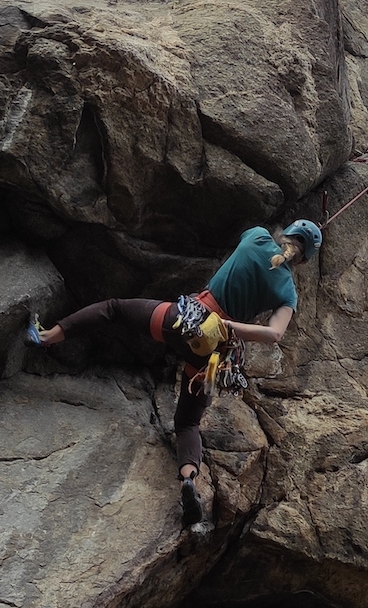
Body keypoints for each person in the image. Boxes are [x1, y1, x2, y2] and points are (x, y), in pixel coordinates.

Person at [29, 221, 323, 528]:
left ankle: (47, 336)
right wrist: (229, 328)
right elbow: (274, 334)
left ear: (286, 234)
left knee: (114, 309)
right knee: (187, 421)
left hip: (185, 320)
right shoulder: (287, 292)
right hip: (211, 350)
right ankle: (188, 481)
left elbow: (247, 255)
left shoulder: (258, 236)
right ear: (304, 261)